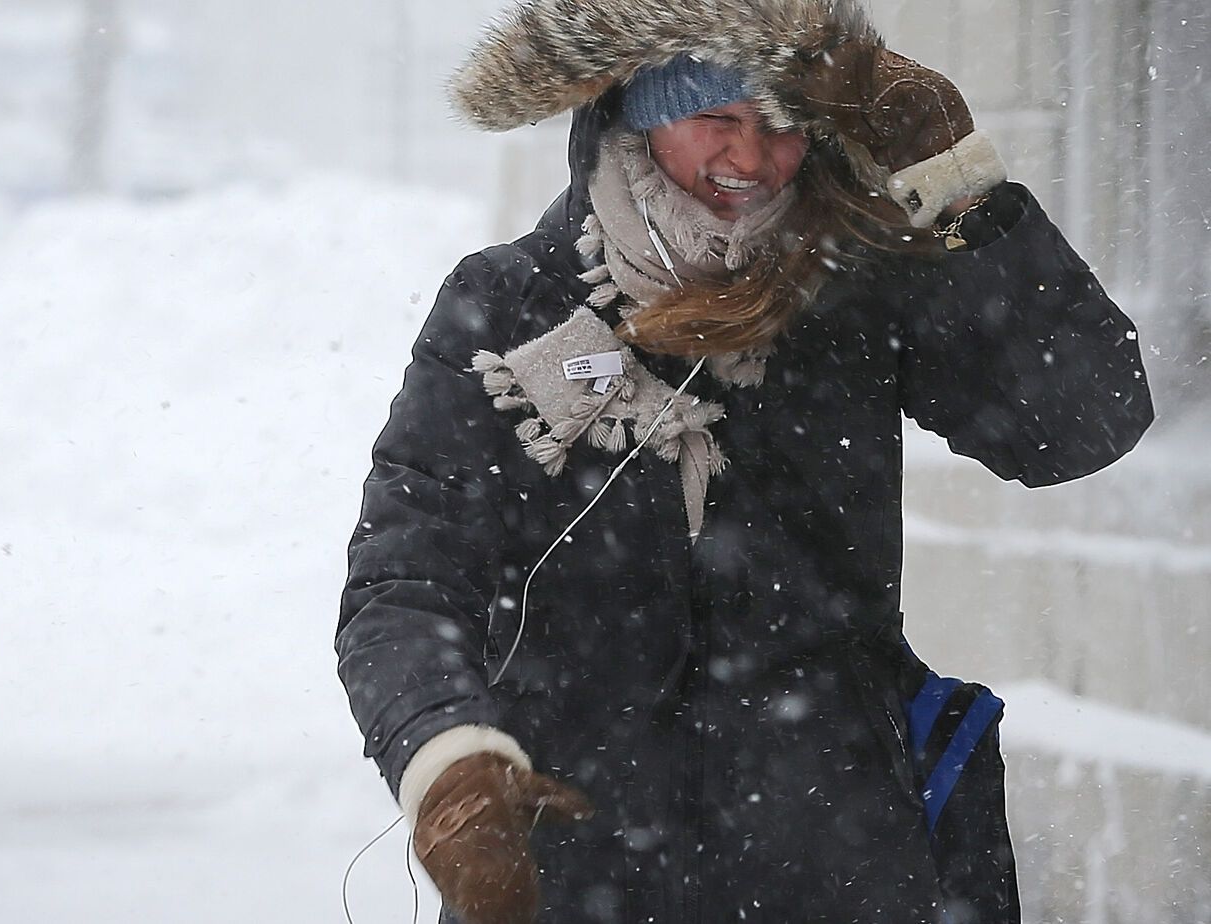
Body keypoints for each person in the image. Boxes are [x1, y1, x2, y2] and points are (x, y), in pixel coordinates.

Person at [335, 2, 1153, 922]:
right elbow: (405, 580)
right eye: (716, 119)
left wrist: (958, 183)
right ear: (637, 111)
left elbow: (1081, 424)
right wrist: (447, 763)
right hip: (574, 868)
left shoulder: (853, 289)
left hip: (836, 860)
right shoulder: (511, 302)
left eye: (782, 125)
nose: (751, 160)